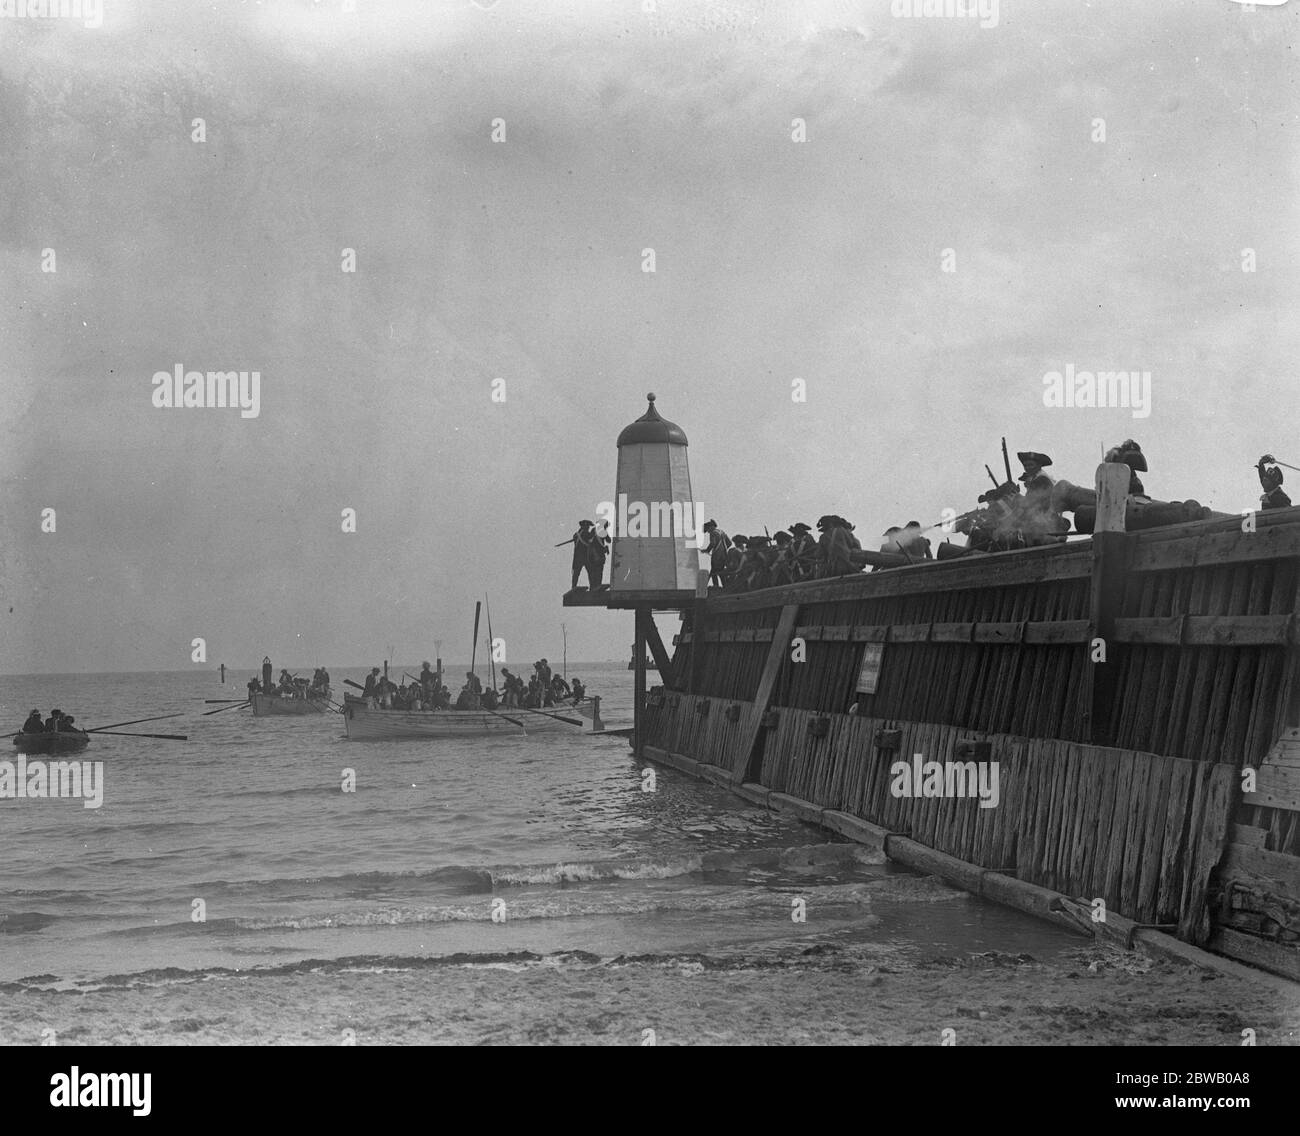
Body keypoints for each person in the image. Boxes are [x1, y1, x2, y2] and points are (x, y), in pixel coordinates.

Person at [702, 519, 732, 588]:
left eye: (708, 530)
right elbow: (729, 543)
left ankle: (716, 586)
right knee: (721, 571)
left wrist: (707, 550)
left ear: (711, 527)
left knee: (714, 572)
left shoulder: (713, 533)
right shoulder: (722, 532)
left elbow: (713, 543)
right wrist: (723, 550)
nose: (708, 532)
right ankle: (725, 586)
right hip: (724, 556)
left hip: (716, 557)